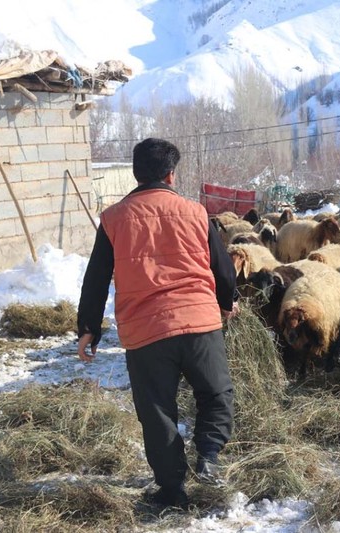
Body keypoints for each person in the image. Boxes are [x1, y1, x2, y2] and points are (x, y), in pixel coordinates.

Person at [77, 138, 238, 509]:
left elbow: (97, 276)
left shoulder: (114, 218)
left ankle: (172, 490)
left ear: (136, 174)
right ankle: (209, 456)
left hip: (145, 331)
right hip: (199, 322)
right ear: (171, 174)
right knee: (216, 394)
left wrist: (89, 328)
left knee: (157, 411)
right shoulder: (195, 212)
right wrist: (226, 302)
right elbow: (223, 267)